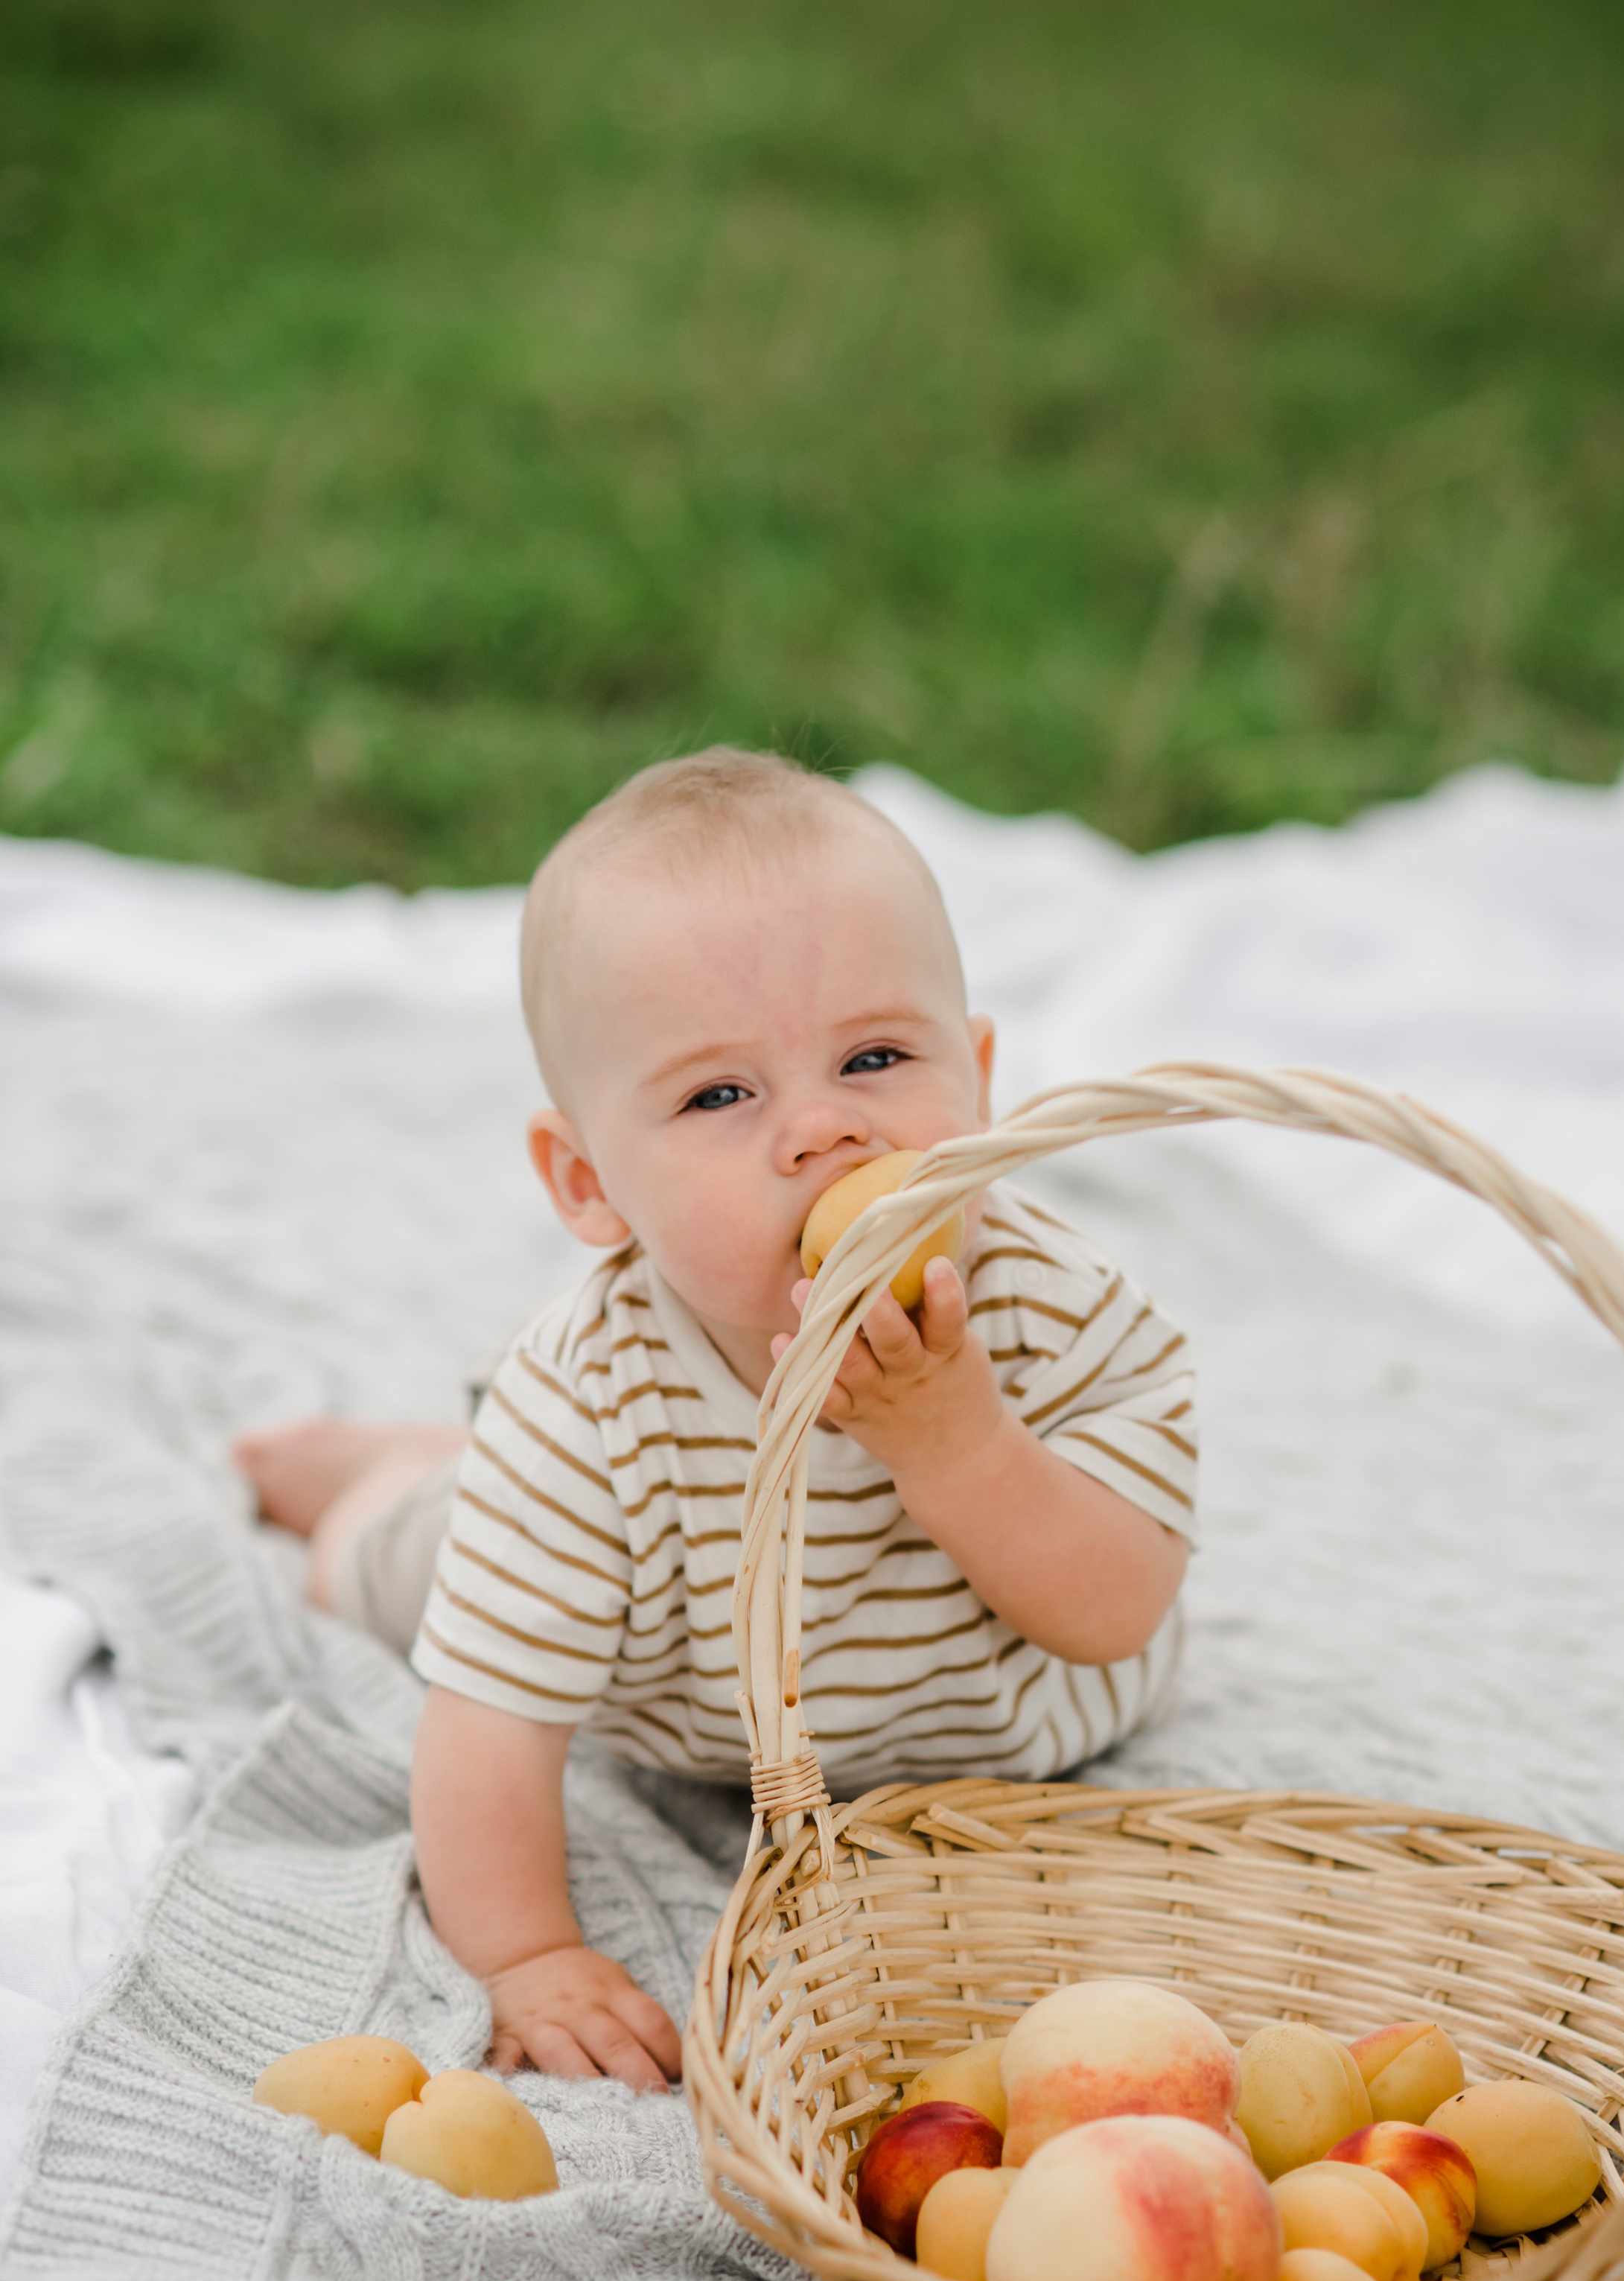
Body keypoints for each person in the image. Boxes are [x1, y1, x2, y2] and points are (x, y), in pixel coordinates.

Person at [235, 750, 1196, 2093]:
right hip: (671, 1689)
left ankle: (434, 1453)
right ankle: (381, 1480)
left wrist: (957, 1444)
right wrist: (526, 1956)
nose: (824, 1131)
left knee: (519, 1507)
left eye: (876, 1058)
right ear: (589, 1184)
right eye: (720, 1095)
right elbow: (487, 1730)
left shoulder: (1066, 1310)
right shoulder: (590, 1404)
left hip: (1019, 1719)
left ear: (979, 1085)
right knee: (400, 1559)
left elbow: (1116, 1612)